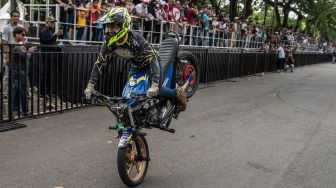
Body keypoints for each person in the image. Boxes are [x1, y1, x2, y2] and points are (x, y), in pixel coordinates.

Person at [84, 7, 187, 147]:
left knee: (154, 92)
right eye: (107, 27)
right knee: (127, 98)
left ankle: (177, 93)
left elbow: (152, 60)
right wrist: (90, 85)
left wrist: (155, 84)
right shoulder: (108, 44)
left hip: (152, 64)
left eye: (112, 26)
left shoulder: (136, 39)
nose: (108, 31)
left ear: (123, 25)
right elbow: (99, 63)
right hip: (136, 66)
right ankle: (124, 127)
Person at [11, 27, 37, 116]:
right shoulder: (16, 45)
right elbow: (26, 57)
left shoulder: (16, 44)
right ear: (17, 34)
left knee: (17, 92)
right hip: (20, 72)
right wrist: (30, 51)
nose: (24, 36)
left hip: (17, 71)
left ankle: (16, 110)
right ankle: (25, 111)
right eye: (22, 34)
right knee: (24, 92)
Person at [39, 16, 63, 98]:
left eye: (53, 22)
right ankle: (43, 92)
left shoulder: (48, 30)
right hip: (46, 54)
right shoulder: (45, 30)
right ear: (47, 22)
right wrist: (55, 35)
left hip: (48, 53)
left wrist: (55, 36)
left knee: (48, 73)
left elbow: (50, 42)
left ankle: (47, 92)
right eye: (51, 22)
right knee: (46, 73)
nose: (53, 24)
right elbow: (47, 42)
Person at [2, 10, 23, 99]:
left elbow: (23, 40)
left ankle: (18, 91)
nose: (16, 18)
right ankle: (5, 93)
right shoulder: (6, 28)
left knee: (19, 74)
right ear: (11, 17)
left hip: (19, 53)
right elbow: (4, 42)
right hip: (10, 53)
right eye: (14, 16)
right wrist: (6, 55)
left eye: (18, 16)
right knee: (7, 74)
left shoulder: (21, 27)